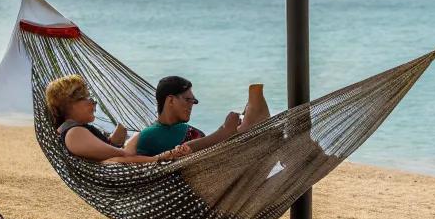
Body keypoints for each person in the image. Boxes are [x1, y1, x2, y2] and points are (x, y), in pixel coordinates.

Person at [44, 75, 190, 165]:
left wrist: (114, 140)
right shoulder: (75, 133)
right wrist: (161, 158)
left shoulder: (76, 130)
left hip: (130, 160)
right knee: (181, 137)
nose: (94, 103)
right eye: (87, 98)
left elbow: (107, 151)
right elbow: (122, 156)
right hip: (132, 166)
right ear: (69, 104)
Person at [130, 75, 269, 157]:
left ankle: (241, 129)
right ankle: (238, 129)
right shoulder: (149, 135)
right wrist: (224, 131)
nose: (192, 105)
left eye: (194, 101)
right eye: (188, 100)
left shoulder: (188, 130)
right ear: (171, 100)